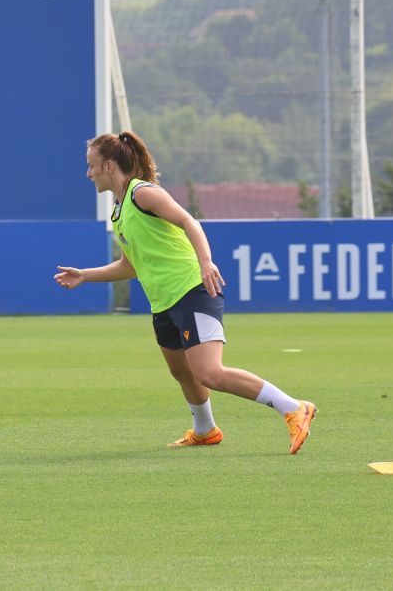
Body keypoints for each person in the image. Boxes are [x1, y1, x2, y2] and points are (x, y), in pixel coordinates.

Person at [54, 131, 316, 453]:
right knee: (181, 371)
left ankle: (294, 407)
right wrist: (85, 276)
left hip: (192, 291)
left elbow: (189, 222)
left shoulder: (142, 193)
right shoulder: (119, 213)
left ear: (109, 166)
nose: (88, 173)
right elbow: (130, 266)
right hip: (163, 303)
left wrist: (206, 262)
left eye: (91, 165)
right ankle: (205, 431)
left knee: (209, 373)